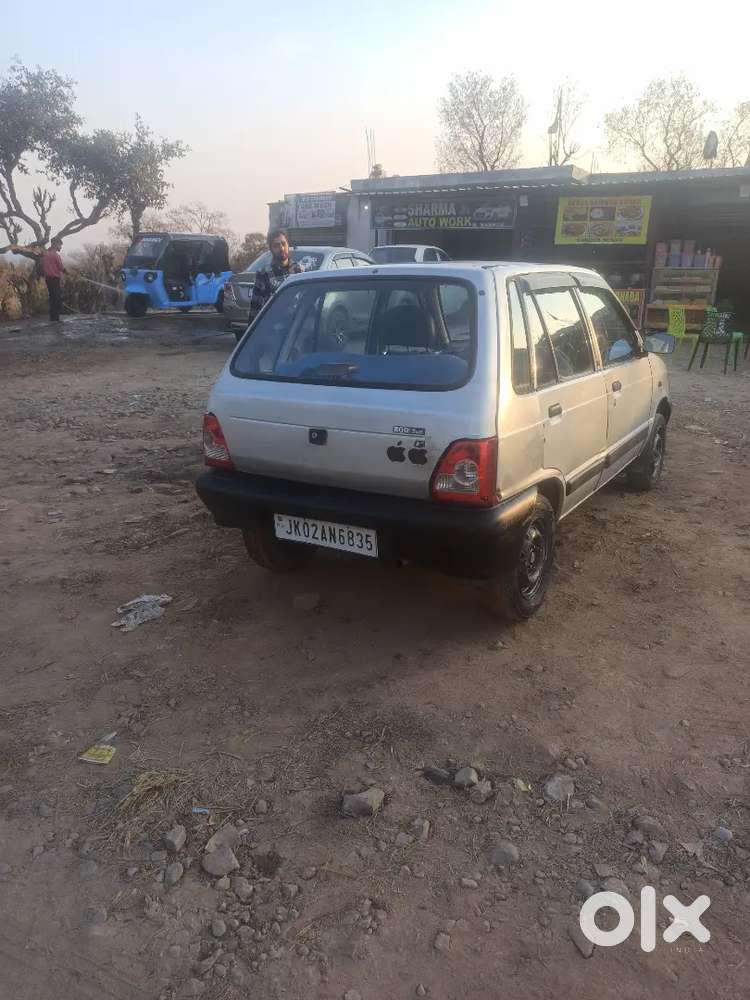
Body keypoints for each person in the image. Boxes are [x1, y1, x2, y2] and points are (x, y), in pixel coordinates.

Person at [247, 228, 303, 325]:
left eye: (283, 243)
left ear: (288, 245)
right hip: (273, 329)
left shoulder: (300, 271)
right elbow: (255, 309)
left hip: (296, 328)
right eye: (276, 245)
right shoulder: (264, 274)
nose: (281, 248)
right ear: (271, 249)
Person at [40, 237, 66, 322]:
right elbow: (61, 267)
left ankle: (53, 318)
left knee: (52, 298)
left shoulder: (45, 254)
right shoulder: (55, 255)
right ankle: (56, 319)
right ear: (55, 244)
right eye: (60, 245)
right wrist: (69, 272)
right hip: (55, 279)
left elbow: (42, 267)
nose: (60, 247)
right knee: (56, 298)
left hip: (48, 279)